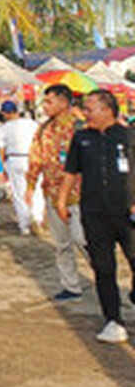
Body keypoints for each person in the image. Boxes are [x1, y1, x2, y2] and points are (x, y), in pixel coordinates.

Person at [56, 90, 135, 344]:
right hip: (94, 213)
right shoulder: (81, 138)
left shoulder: (128, 136)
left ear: (107, 109)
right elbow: (70, 172)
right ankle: (113, 320)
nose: (85, 113)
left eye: (90, 108)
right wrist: (61, 200)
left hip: (127, 212)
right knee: (103, 268)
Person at [26, 84, 88, 300]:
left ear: (64, 101)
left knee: (83, 239)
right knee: (62, 244)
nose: (45, 107)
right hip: (52, 193)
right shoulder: (43, 129)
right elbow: (35, 158)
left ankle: (104, 278)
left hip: (79, 193)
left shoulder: (81, 127)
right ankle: (71, 286)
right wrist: (31, 185)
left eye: (49, 101)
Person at [0, 100, 41, 236]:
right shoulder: (32, 124)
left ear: (5, 113)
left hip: (15, 158)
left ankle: (24, 225)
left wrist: (1, 167)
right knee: (36, 189)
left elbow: (1, 149)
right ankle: (37, 217)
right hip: (32, 157)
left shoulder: (5, 128)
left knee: (19, 192)